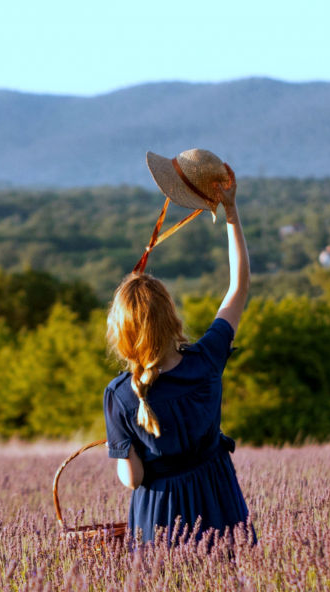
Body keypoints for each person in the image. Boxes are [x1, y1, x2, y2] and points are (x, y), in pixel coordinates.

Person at [102, 150, 251, 547]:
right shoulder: (205, 361)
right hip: (220, 505)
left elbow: (131, 478)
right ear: (171, 317)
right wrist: (232, 213)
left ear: (122, 334)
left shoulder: (120, 395)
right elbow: (238, 287)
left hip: (160, 521)